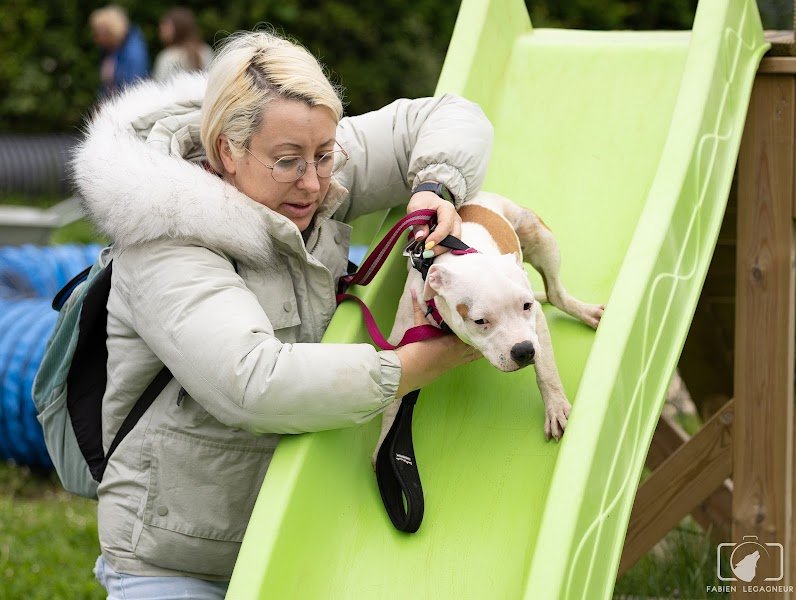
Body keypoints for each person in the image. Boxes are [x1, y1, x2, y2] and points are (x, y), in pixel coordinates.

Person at [73, 29, 492, 598]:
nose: (316, 182)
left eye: (324, 155)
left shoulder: (302, 159)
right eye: (290, 162)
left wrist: (434, 186)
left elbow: (449, 115)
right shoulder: (163, 239)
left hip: (296, 533)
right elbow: (253, 382)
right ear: (226, 151)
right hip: (179, 559)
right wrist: (409, 367)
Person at [89, 5, 150, 97]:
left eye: (99, 33)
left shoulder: (134, 54)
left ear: (112, 31)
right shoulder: (110, 50)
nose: (96, 38)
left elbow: (134, 89)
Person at [152, 7, 214, 82]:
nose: (161, 29)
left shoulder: (168, 57)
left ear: (178, 27)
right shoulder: (206, 50)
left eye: (166, 25)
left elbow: (159, 87)